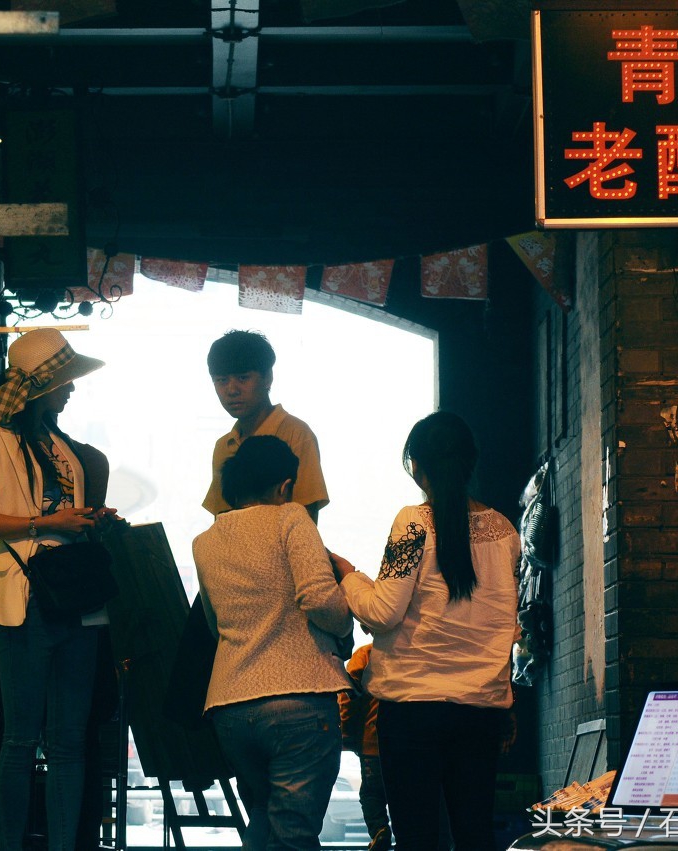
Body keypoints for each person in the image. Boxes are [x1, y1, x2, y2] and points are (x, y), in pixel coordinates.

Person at [0, 327, 116, 851]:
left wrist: (90, 519)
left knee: (68, 742)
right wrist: (47, 523)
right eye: (63, 380)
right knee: (21, 739)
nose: (70, 389)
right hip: (22, 596)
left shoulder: (68, 449)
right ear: (40, 385)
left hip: (73, 597)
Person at [335, 411, 521, 851]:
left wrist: (348, 575)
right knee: (474, 836)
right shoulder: (505, 532)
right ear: (469, 462)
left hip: (412, 709)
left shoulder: (413, 523)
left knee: (417, 839)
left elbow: (382, 612)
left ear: (417, 467)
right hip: (481, 709)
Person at [193, 435, 353, 850]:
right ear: (285, 486)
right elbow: (320, 599)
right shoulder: (290, 517)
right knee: (294, 833)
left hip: (230, 707)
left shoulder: (205, 541)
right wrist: (344, 624)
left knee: (263, 820)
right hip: (299, 698)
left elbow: (214, 622)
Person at [202, 330, 328, 521]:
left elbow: (306, 521)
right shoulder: (223, 446)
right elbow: (222, 521)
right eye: (222, 380)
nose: (232, 390)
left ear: (267, 378)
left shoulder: (296, 434)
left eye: (243, 378)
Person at [339, 643, 390, 851]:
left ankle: (380, 830)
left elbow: (348, 694)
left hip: (373, 742)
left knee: (371, 793)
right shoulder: (409, 651)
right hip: (409, 741)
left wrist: (346, 733)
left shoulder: (366, 654)